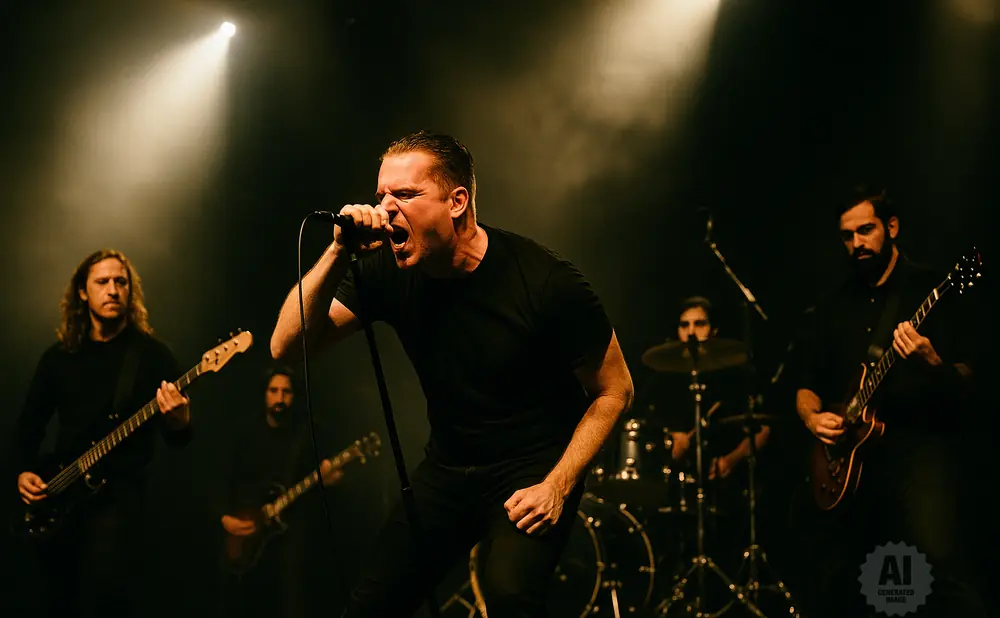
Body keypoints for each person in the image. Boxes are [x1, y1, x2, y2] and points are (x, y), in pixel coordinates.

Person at [270, 130, 634, 617]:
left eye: (404, 194)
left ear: (457, 201)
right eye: (381, 195)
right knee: (370, 607)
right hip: (447, 469)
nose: (385, 209)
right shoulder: (386, 270)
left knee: (509, 598)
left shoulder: (544, 281)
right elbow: (286, 346)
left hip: (530, 470)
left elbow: (615, 391)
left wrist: (558, 485)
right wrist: (337, 253)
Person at [793, 185, 985, 617]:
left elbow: (970, 380)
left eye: (866, 230)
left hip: (919, 455)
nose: (857, 243)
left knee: (942, 576)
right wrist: (812, 418)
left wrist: (931, 360)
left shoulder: (932, 288)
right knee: (845, 583)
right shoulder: (833, 305)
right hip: (854, 469)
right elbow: (806, 384)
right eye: (847, 235)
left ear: (891, 227)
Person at [12, 249, 192, 618]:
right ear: (83, 292)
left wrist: (180, 419)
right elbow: (29, 424)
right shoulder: (60, 357)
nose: (113, 290)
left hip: (119, 504)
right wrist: (23, 470)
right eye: (102, 282)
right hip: (59, 495)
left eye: (121, 282)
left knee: (105, 602)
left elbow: (180, 441)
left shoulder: (153, 356)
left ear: (131, 291)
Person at [219, 366, 345, 616]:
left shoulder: (309, 433)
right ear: (264, 394)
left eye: (286, 392)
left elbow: (337, 488)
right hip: (248, 539)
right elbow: (220, 479)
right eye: (274, 391)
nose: (279, 398)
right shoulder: (243, 433)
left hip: (293, 539)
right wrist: (224, 517)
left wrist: (331, 481)